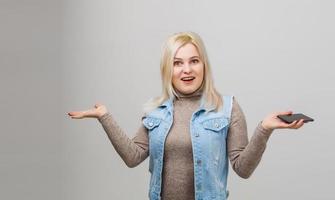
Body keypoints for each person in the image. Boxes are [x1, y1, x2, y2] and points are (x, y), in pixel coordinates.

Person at [68, 32, 304, 200]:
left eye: (194, 61)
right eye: (177, 63)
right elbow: (133, 157)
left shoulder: (226, 107)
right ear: (168, 70)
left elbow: (243, 169)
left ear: (204, 65)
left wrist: (264, 129)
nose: (187, 70)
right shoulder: (156, 110)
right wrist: (105, 117)